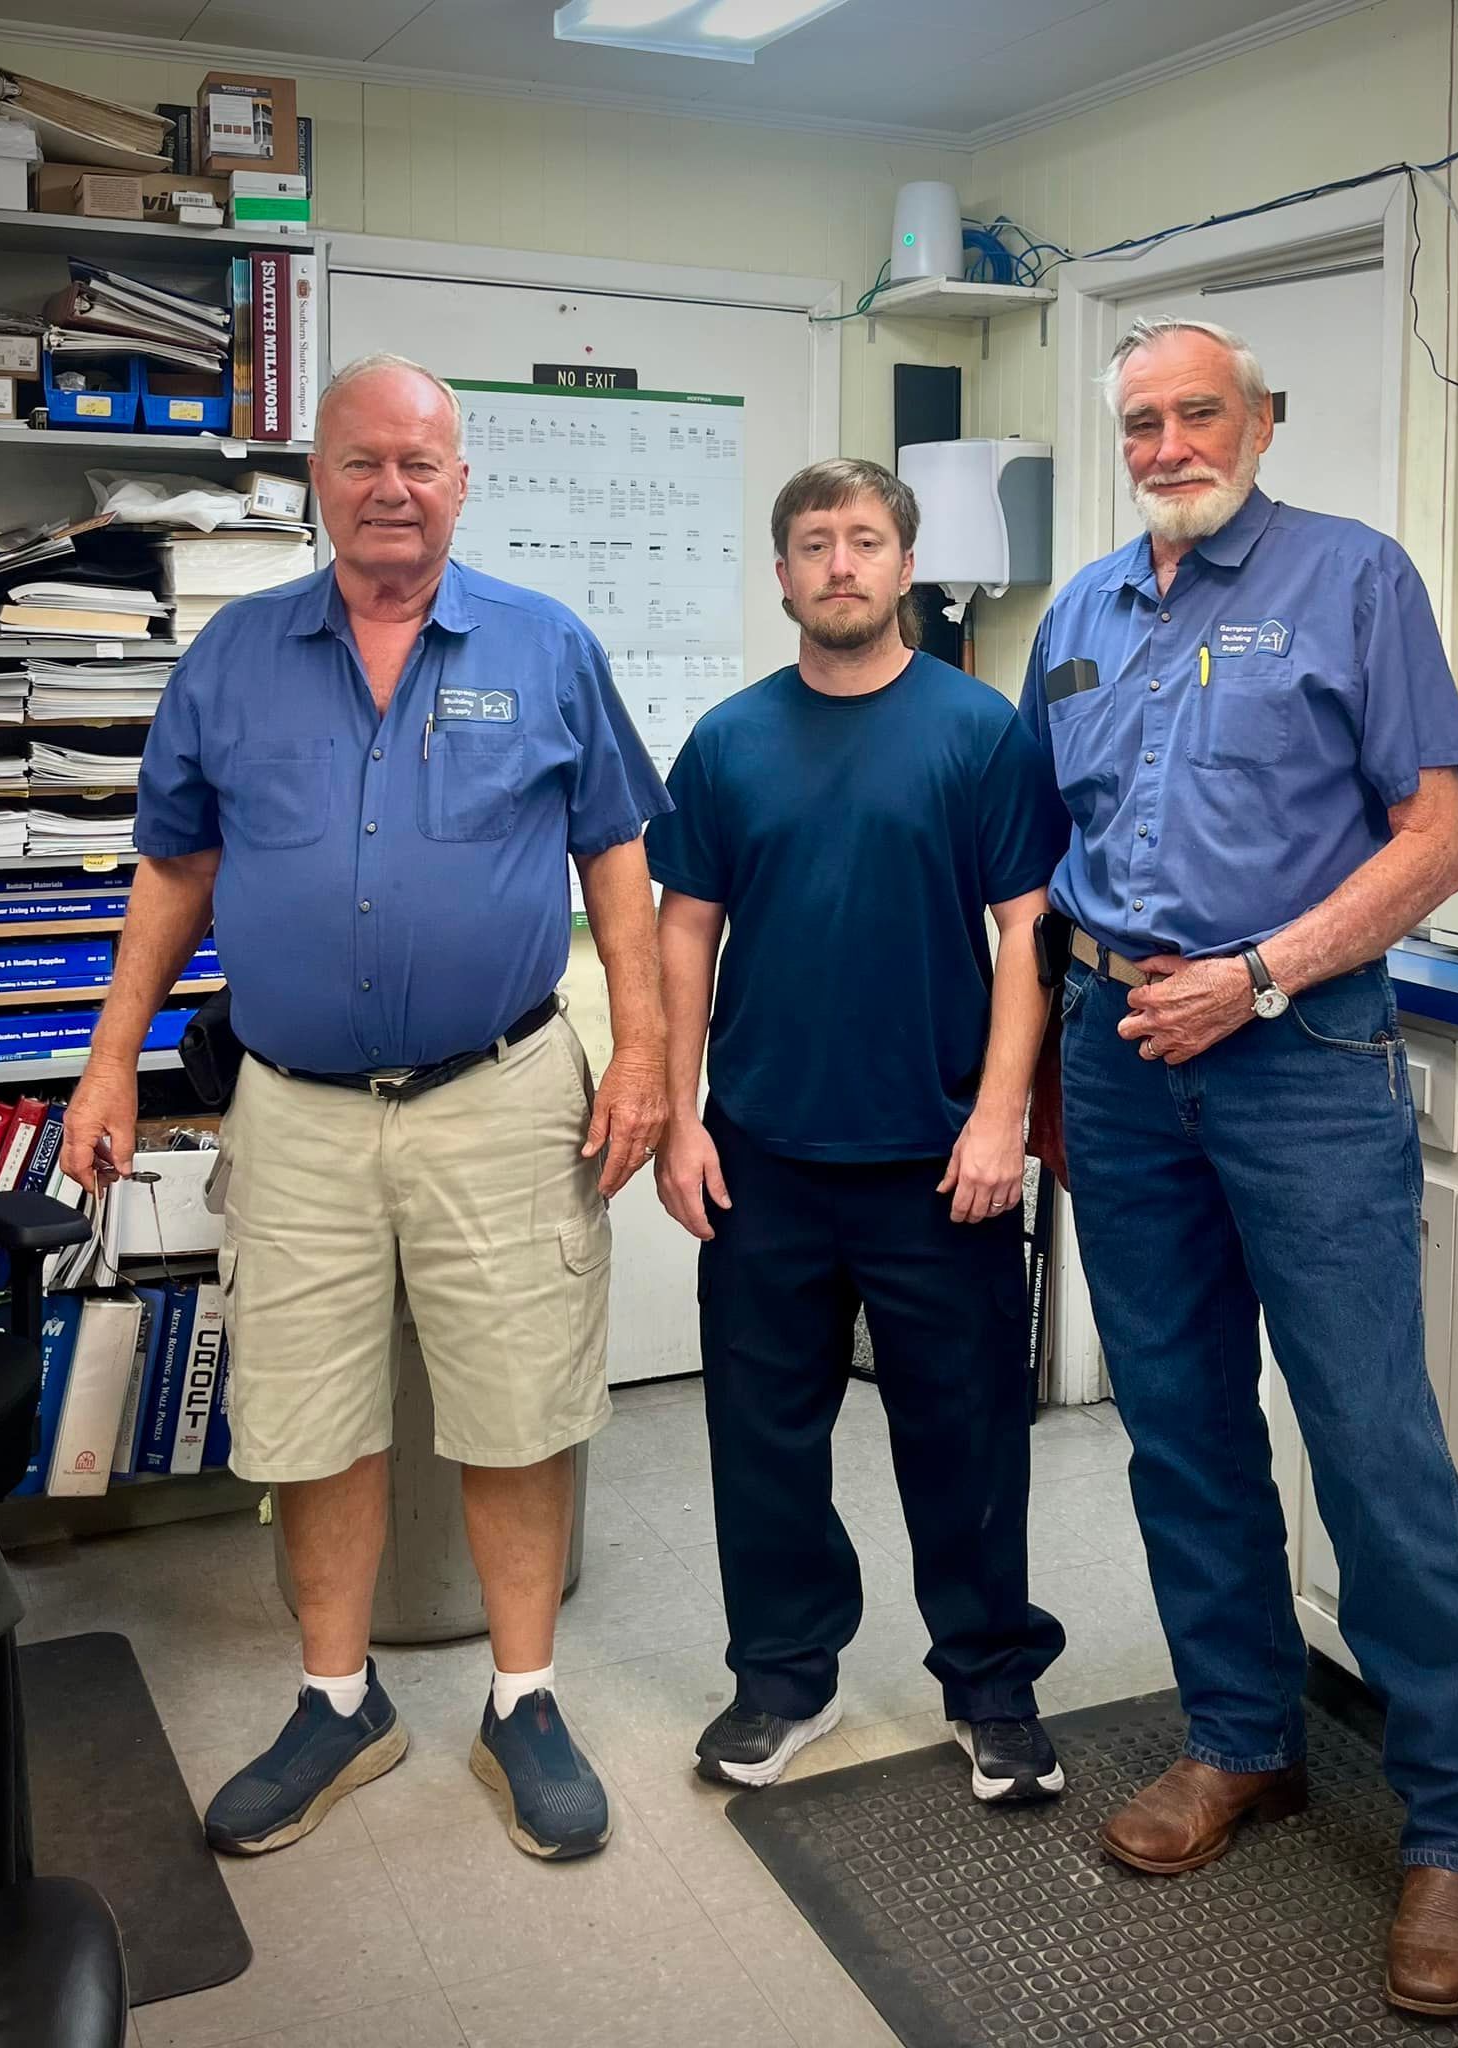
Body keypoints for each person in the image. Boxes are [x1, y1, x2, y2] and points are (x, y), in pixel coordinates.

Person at [62, 353, 671, 1864]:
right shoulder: (233, 656)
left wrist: (648, 1055)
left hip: (503, 1092)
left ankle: (522, 1701)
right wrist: (101, 1058)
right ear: (315, 479)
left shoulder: (546, 647)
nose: (391, 487)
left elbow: (617, 865)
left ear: (463, 480)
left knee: (518, 1405)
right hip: (297, 1110)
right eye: (359, 461)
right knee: (309, 1413)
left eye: (421, 461)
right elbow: (174, 869)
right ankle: (340, 1703)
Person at [1020, 317, 1458, 2019]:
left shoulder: (1351, 577)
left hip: (1294, 1055)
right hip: (1115, 1050)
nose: (1168, 443)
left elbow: (1436, 838)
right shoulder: (1078, 615)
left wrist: (1258, 972)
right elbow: (1046, 857)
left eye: (1197, 414)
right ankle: (1244, 1742)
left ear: (1261, 421)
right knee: (1176, 1425)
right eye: (1142, 421)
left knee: (1372, 1444)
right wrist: (1040, 1063)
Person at [647, 458, 1070, 1801]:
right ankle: (781, 1685)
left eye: (866, 541)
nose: (840, 563)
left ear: (902, 568)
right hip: (762, 1159)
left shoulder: (977, 732)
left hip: (939, 1157)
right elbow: (682, 928)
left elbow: (1028, 931)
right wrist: (674, 1113)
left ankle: (991, 1690)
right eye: (814, 544)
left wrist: (1002, 1117)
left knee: (968, 1443)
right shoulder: (724, 742)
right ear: (780, 574)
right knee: (763, 1442)